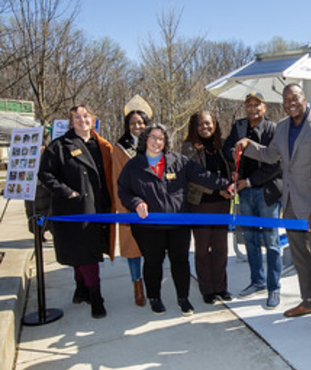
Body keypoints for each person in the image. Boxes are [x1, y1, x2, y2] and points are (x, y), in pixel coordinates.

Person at [236, 83, 311, 334]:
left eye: (295, 98)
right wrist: (249, 144)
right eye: (286, 99)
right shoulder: (281, 127)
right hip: (290, 202)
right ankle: (308, 302)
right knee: (300, 258)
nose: (290, 103)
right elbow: (271, 156)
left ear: (305, 99)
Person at [117, 123, 233, 316]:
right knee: (153, 262)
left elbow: (202, 176)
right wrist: (136, 203)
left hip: (178, 224)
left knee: (180, 261)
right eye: (153, 137)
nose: (156, 142)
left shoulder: (179, 161)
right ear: (145, 139)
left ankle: (183, 299)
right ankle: (155, 298)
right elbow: (123, 191)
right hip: (149, 227)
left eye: (161, 138)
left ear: (166, 142)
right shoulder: (133, 166)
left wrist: (226, 184)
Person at [38, 105, 114, 319]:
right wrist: (67, 192)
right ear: (71, 122)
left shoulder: (101, 144)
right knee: (86, 253)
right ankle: (96, 298)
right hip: (75, 208)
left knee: (84, 252)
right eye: (77, 117)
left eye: (86, 116)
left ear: (93, 119)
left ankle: (81, 290)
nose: (82, 120)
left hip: (101, 207)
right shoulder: (60, 146)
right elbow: (45, 174)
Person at [223, 92, 283, 309]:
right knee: (249, 238)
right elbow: (226, 148)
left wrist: (249, 181)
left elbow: (276, 164)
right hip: (244, 192)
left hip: (267, 192)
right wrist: (234, 152)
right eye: (248, 104)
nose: (252, 108)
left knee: (272, 242)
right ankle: (257, 281)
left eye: (257, 104)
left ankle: (273, 287)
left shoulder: (274, 129)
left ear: (264, 107)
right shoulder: (238, 126)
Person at [182, 111, 234, 305]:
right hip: (201, 204)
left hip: (222, 203)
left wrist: (230, 184)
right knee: (203, 249)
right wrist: (218, 189)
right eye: (200, 125)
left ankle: (221, 287)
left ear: (215, 124)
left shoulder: (220, 145)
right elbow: (194, 177)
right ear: (194, 127)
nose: (205, 128)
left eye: (208, 124)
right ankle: (207, 290)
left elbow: (231, 168)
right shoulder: (188, 147)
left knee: (221, 248)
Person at [111, 96, 152, 307]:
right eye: (133, 123)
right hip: (131, 206)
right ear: (127, 126)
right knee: (133, 249)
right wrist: (124, 209)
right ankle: (137, 285)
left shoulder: (155, 144)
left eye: (141, 123)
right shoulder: (119, 149)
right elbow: (117, 179)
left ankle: (153, 285)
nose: (138, 126)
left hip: (153, 205)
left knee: (153, 249)